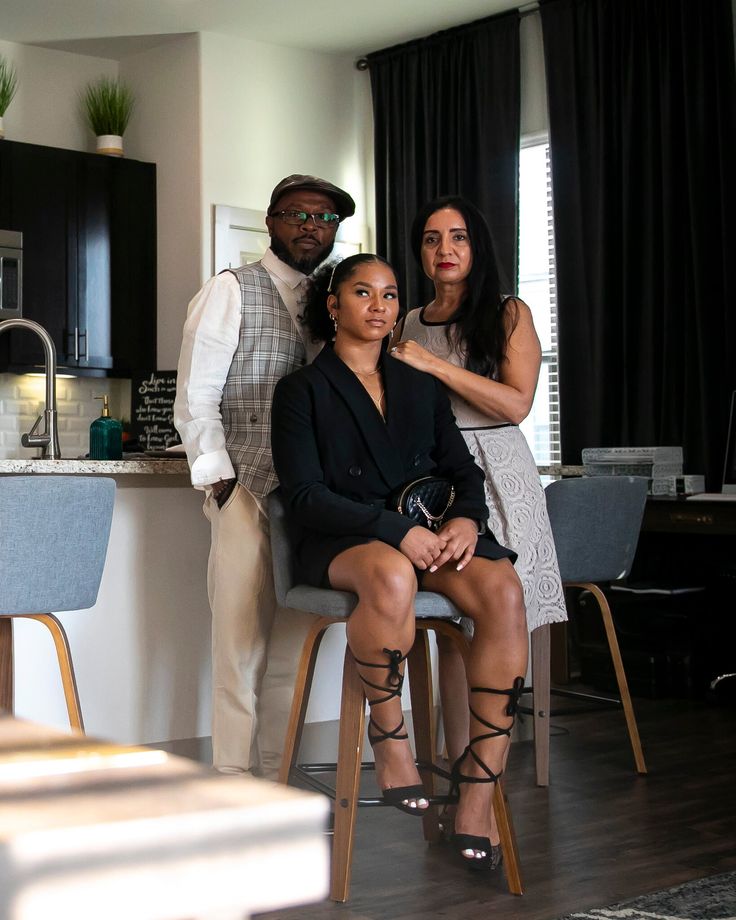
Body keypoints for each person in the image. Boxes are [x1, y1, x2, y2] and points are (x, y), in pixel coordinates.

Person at [271, 253, 528, 870]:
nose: (380, 306)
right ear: (333, 304)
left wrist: (466, 518)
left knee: (504, 589)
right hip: (343, 539)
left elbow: (461, 471)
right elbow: (305, 495)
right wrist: (394, 530)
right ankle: (391, 745)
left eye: (389, 295)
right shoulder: (301, 389)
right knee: (390, 572)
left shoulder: (419, 384)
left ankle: (477, 795)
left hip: (428, 533)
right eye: (364, 293)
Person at [391, 195, 567, 819]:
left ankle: (487, 781)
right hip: (436, 479)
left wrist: (432, 366)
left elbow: (516, 405)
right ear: (420, 250)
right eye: (433, 239)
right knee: (450, 633)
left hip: (498, 468)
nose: (445, 250)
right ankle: (464, 778)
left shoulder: (507, 313)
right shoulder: (405, 319)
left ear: (478, 246)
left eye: (458, 238)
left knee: (503, 618)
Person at [174, 174, 356, 778]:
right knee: (239, 644)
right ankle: (230, 781)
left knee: (294, 649)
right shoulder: (231, 290)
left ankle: (279, 777)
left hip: (318, 500)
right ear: (272, 222)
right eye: (298, 214)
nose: (311, 226)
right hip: (247, 490)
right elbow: (195, 398)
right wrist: (221, 483)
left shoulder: (338, 302)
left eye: (325, 218)